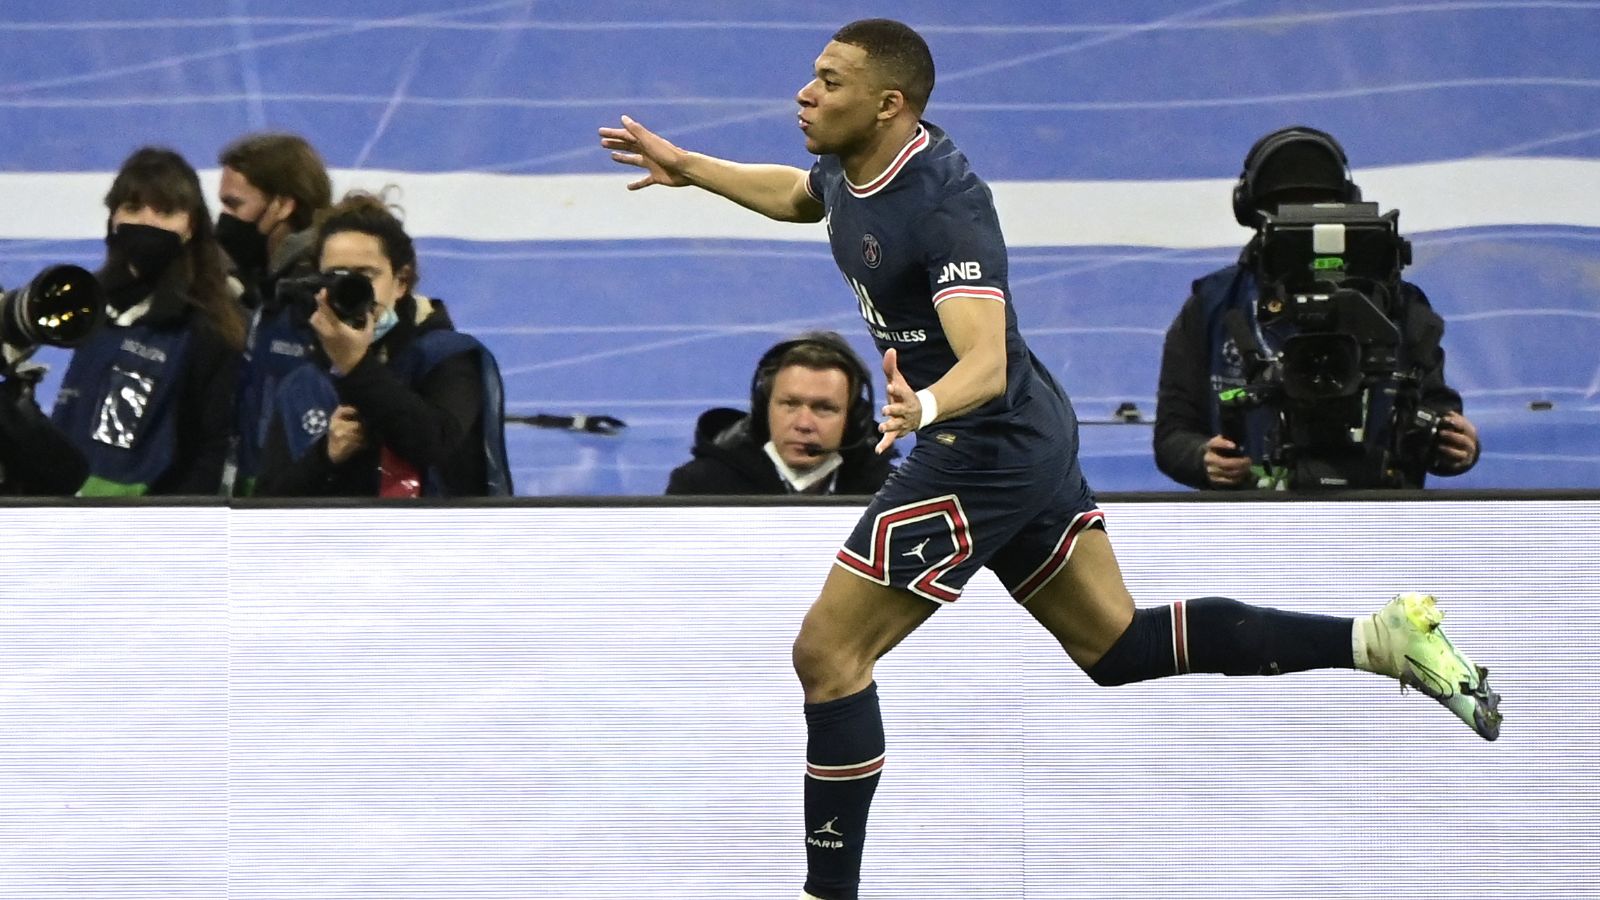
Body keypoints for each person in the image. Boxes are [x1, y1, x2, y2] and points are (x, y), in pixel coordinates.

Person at [601, 19, 1500, 900]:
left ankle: (829, 892)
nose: (805, 92)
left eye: (828, 81)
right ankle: (1377, 640)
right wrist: (690, 168)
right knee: (1116, 645)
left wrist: (927, 404)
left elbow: (983, 362)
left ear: (888, 105)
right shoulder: (851, 164)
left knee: (828, 654)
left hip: (981, 445)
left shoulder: (945, 206)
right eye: (813, 74)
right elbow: (800, 196)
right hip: (1024, 436)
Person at [1154, 125, 1480, 490]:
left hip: (1381, 516)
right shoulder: (1214, 305)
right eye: (1284, 207)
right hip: (1254, 523)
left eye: (1316, 202)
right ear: (1253, 212)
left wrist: (1454, 445)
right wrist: (1202, 458)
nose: (1302, 216)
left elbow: (1437, 410)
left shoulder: (1399, 305)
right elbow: (1172, 434)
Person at [253, 191, 511, 497]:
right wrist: (325, 455)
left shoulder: (448, 358)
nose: (349, 289)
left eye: (365, 275)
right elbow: (267, 503)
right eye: (335, 276)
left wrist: (355, 366)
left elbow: (434, 444)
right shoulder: (303, 379)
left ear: (400, 282)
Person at [49, 147, 246, 496]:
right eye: (133, 208)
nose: (146, 222)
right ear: (113, 218)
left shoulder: (208, 326)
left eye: (166, 211)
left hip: (152, 533)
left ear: (191, 226)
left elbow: (210, 451)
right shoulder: (90, 307)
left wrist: (169, 532)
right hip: (66, 522)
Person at [215, 132, 335, 494]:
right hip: (252, 497)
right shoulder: (257, 292)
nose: (224, 220)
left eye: (235, 205)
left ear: (283, 206)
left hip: (299, 508)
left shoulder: (320, 297)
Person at [665, 331, 895, 495]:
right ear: (765, 409)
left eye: (824, 408)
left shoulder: (890, 493)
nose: (804, 424)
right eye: (790, 404)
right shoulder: (700, 489)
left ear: (853, 419)